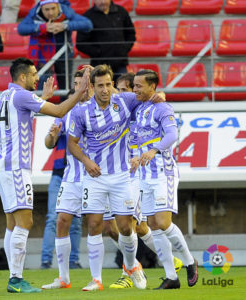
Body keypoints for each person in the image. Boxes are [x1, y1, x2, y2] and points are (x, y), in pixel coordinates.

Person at [0, 57, 89, 293]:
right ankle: (16, 279)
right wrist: (81, 91)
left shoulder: (6, 96)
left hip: (4, 165)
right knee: (25, 222)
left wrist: (43, 98)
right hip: (17, 167)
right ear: (23, 77)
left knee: (11, 225)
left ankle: (13, 276)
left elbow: (23, 112)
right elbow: (58, 111)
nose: (38, 77)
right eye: (35, 73)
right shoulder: (22, 96)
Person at [67, 65, 164, 291]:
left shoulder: (125, 101)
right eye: (100, 85)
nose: (105, 89)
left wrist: (159, 99)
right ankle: (96, 280)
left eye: (109, 84)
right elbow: (72, 143)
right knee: (93, 225)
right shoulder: (81, 111)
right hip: (96, 177)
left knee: (126, 228)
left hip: (122, 176)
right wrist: (87, 161)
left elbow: (148, 96)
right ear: (92, 86)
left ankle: (132, 266)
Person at [132, 69, 198, 289]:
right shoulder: (139, 108)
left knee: (162, 222)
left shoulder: (163, 108)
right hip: (144, 175)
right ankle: (171, 276)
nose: (135, 90)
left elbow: (172, 135)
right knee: (153, 225)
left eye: (139, 86)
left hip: (163, 173)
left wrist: (154, 150)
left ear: (153, 87)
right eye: (134, 85)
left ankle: (190, 261)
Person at [41, 68, 93, 290]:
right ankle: (51, 266)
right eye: (75, 83)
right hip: (66, 173)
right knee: (58, 218)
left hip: (95, 174)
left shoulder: (102, 107)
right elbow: (49, 142)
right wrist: (51, 136)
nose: (78, 87)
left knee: (104, 224)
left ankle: (130, 266)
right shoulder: (65, 110)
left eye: (82, 83)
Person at [18, 0, 93, 96]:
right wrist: (42, 27)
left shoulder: (66, 11)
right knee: (42, 84)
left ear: (58, 6)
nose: (50, 13)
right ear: (41, 8)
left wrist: (65, 25)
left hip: (64, 54)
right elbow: (21, 28)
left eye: (53, 8)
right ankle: (40, 109)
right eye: (47, 9)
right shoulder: (34, 12)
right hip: (43, 56)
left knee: (65, 86)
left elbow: (88, 24)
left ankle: (65, 108)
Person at [76, 0, 136, 82]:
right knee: (101, 92)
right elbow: (81, 43)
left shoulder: (121, 12)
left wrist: (123, 50)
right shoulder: (88, 16)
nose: (103, 2)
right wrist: (98, 52)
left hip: (120, 63)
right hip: (98, 65)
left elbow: (131, 34)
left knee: (122, 91)